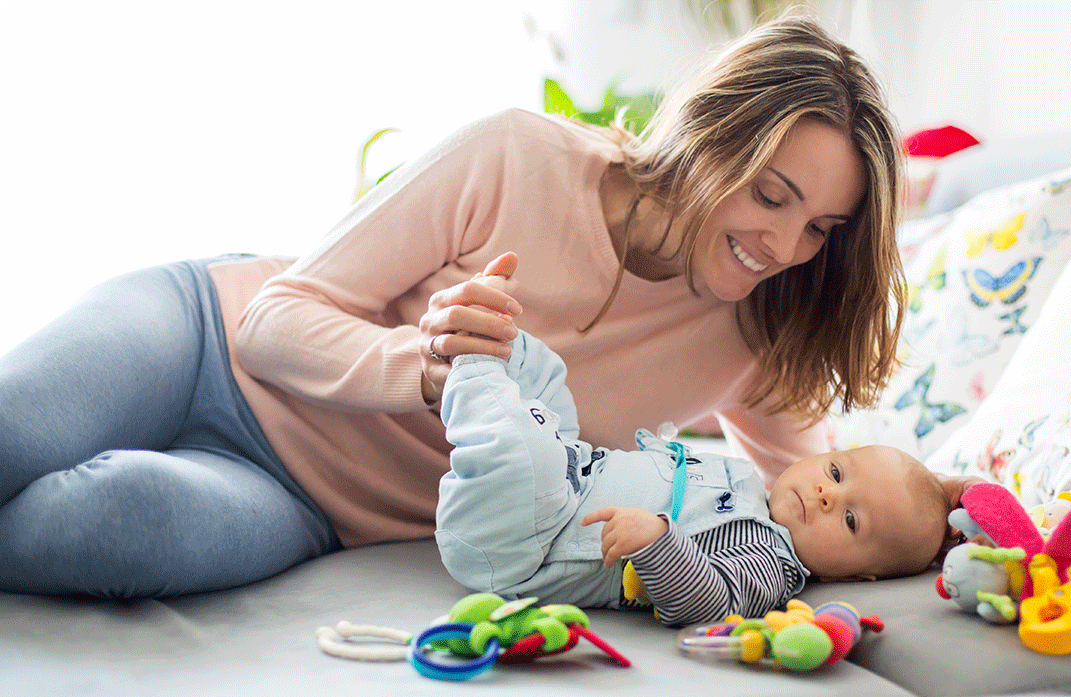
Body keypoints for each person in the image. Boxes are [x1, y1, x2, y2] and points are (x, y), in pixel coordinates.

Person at [0, 15, 910, 598]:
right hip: (206, 336)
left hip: (307, 503)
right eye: (771, 196)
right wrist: (423, 368)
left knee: (115, 521)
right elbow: (274, 321)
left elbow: (840, 494)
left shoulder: (760, 333)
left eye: (821, 229)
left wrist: (956, 508)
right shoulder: (518, 158)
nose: (783, 247)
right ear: (712, 136)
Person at [438, 327, 970, 626]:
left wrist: (657, 543)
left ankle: (472, 368)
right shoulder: (748, 483)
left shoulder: (772, 562)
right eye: (835, 472)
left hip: (527, 545)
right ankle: (489, 334)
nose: (827, 495)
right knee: (541, 371)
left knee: (520, 448)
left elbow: (714, 602)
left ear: (852, 578)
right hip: (567, 473)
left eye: (851, 520)